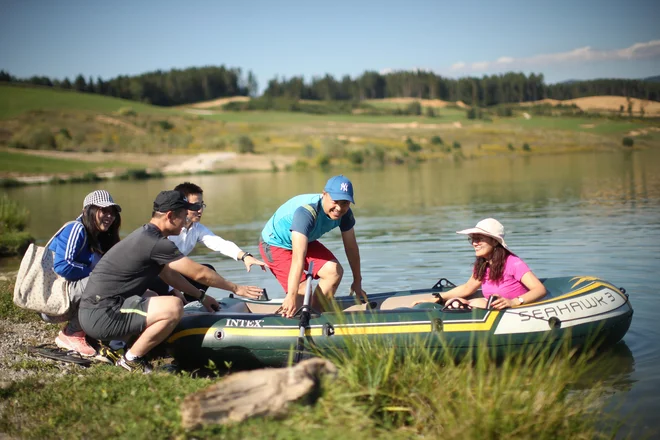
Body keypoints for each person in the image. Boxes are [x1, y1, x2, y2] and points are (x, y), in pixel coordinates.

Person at [78, 190, 263, 373]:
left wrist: (201, 296)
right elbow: (199, 274)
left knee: (153, 295)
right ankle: (131, 360)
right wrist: (237, 288)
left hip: (97, 311)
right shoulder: (155, 242)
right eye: (183, 217)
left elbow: (169, 275)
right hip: (102, 314)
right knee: (173, 306)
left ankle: (134, 347)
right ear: (170, 216)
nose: (184, 224)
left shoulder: (147, 234)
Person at [259, 175, 368, 318]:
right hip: (275, 244)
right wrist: (292, 295)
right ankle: (290, 313)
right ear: (324, 194)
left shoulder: (345, 214)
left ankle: (314, 314)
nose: (339, 208)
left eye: (345, 203)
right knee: (303, 289)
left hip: (304, 239)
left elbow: (351, 248)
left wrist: (357, 282)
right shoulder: (306, 212)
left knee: (333, 272)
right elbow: (298, 258)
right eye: (335, 201)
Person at [43, 190, 122, 357]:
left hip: (74, 294)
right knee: (105, 279)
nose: (109, 216)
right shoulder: (75, 228)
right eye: (104, 211)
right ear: (88, 211)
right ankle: (71, 334)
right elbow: (63, 266)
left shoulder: (102, 238)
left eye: (112, 212)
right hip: (55, 298)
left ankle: (92, 331)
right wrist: (97, 273)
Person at [166, 182, 267, 301]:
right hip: (157, 278)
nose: (200, 211)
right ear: (181, 207)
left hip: (175, 274)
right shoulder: (167, 231)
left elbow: (219, 243)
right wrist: (173, 289)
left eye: (201, 205)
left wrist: (245, 256)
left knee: (208, 269)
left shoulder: (197, 228)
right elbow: (162, 268)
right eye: (195, 206)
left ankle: (188, 306)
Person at [414, 218, 546, 310]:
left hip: (512, 311)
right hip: (489, 308)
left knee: (476, 303)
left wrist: (514, 302)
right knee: (453, 302)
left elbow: (539, 289)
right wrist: (437, 299)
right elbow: (467, 288)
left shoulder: (513, 262)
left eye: (479, 239)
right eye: (472, 239)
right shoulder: (483, 264)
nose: (474, 243)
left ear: (495, 242)